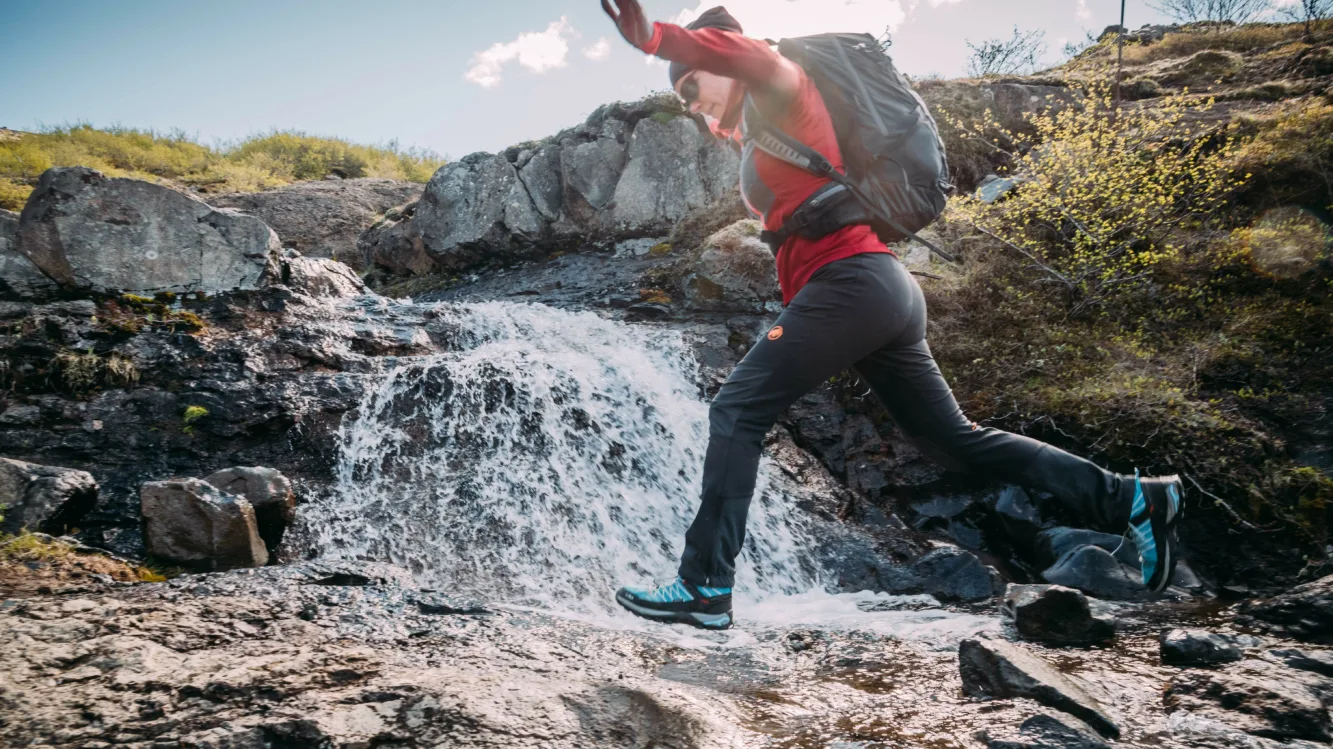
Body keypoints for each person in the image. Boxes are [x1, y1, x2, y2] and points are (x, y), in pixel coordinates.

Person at [602, 1, 1182, 630]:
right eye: (681, 94)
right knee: (951, 441)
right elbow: (743, 122)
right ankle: (1132, 497)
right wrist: (713, 100)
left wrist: (658, 39)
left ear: (724, 53)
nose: (689, 100)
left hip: (852, 284)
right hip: (878, 291)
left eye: (693, 82)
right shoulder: (761, 123)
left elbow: (752, 56)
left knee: (736, 410)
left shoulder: (781, 79)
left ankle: (704, 586)